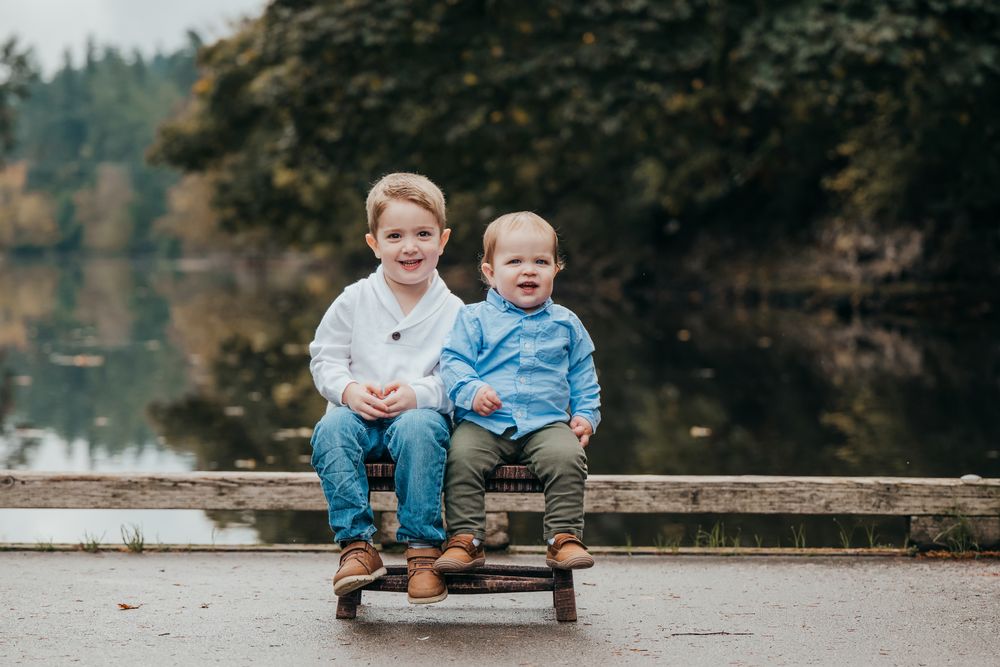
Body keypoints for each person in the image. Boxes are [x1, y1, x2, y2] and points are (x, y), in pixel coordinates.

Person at [309, 172, 462, 604]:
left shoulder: (454, 312)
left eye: (422, 234)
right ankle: (357, 546)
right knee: (331, 431)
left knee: (420, 429)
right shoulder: (354, 299)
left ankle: (422, 550)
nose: (409, 246)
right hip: (359, 414)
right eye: (394, 235)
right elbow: (325, 357)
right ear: (374, 243)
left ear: (443, 239)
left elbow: (459, 377)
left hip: (417, 419)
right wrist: (348, 390)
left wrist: (420, 394)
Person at [434, 211, 601, 573]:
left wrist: (586, 416)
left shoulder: (566, 323)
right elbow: (453, 363)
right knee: (459, 458)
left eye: (540, 261)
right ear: (490, 272)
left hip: (546, 423)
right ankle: (466, 539)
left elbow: (583, 377)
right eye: (515, 262)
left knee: (567, 457)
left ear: (556, 269)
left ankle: (563, 538)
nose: (529, 270)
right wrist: (472, 390)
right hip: (484, 423)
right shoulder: (473, 318)